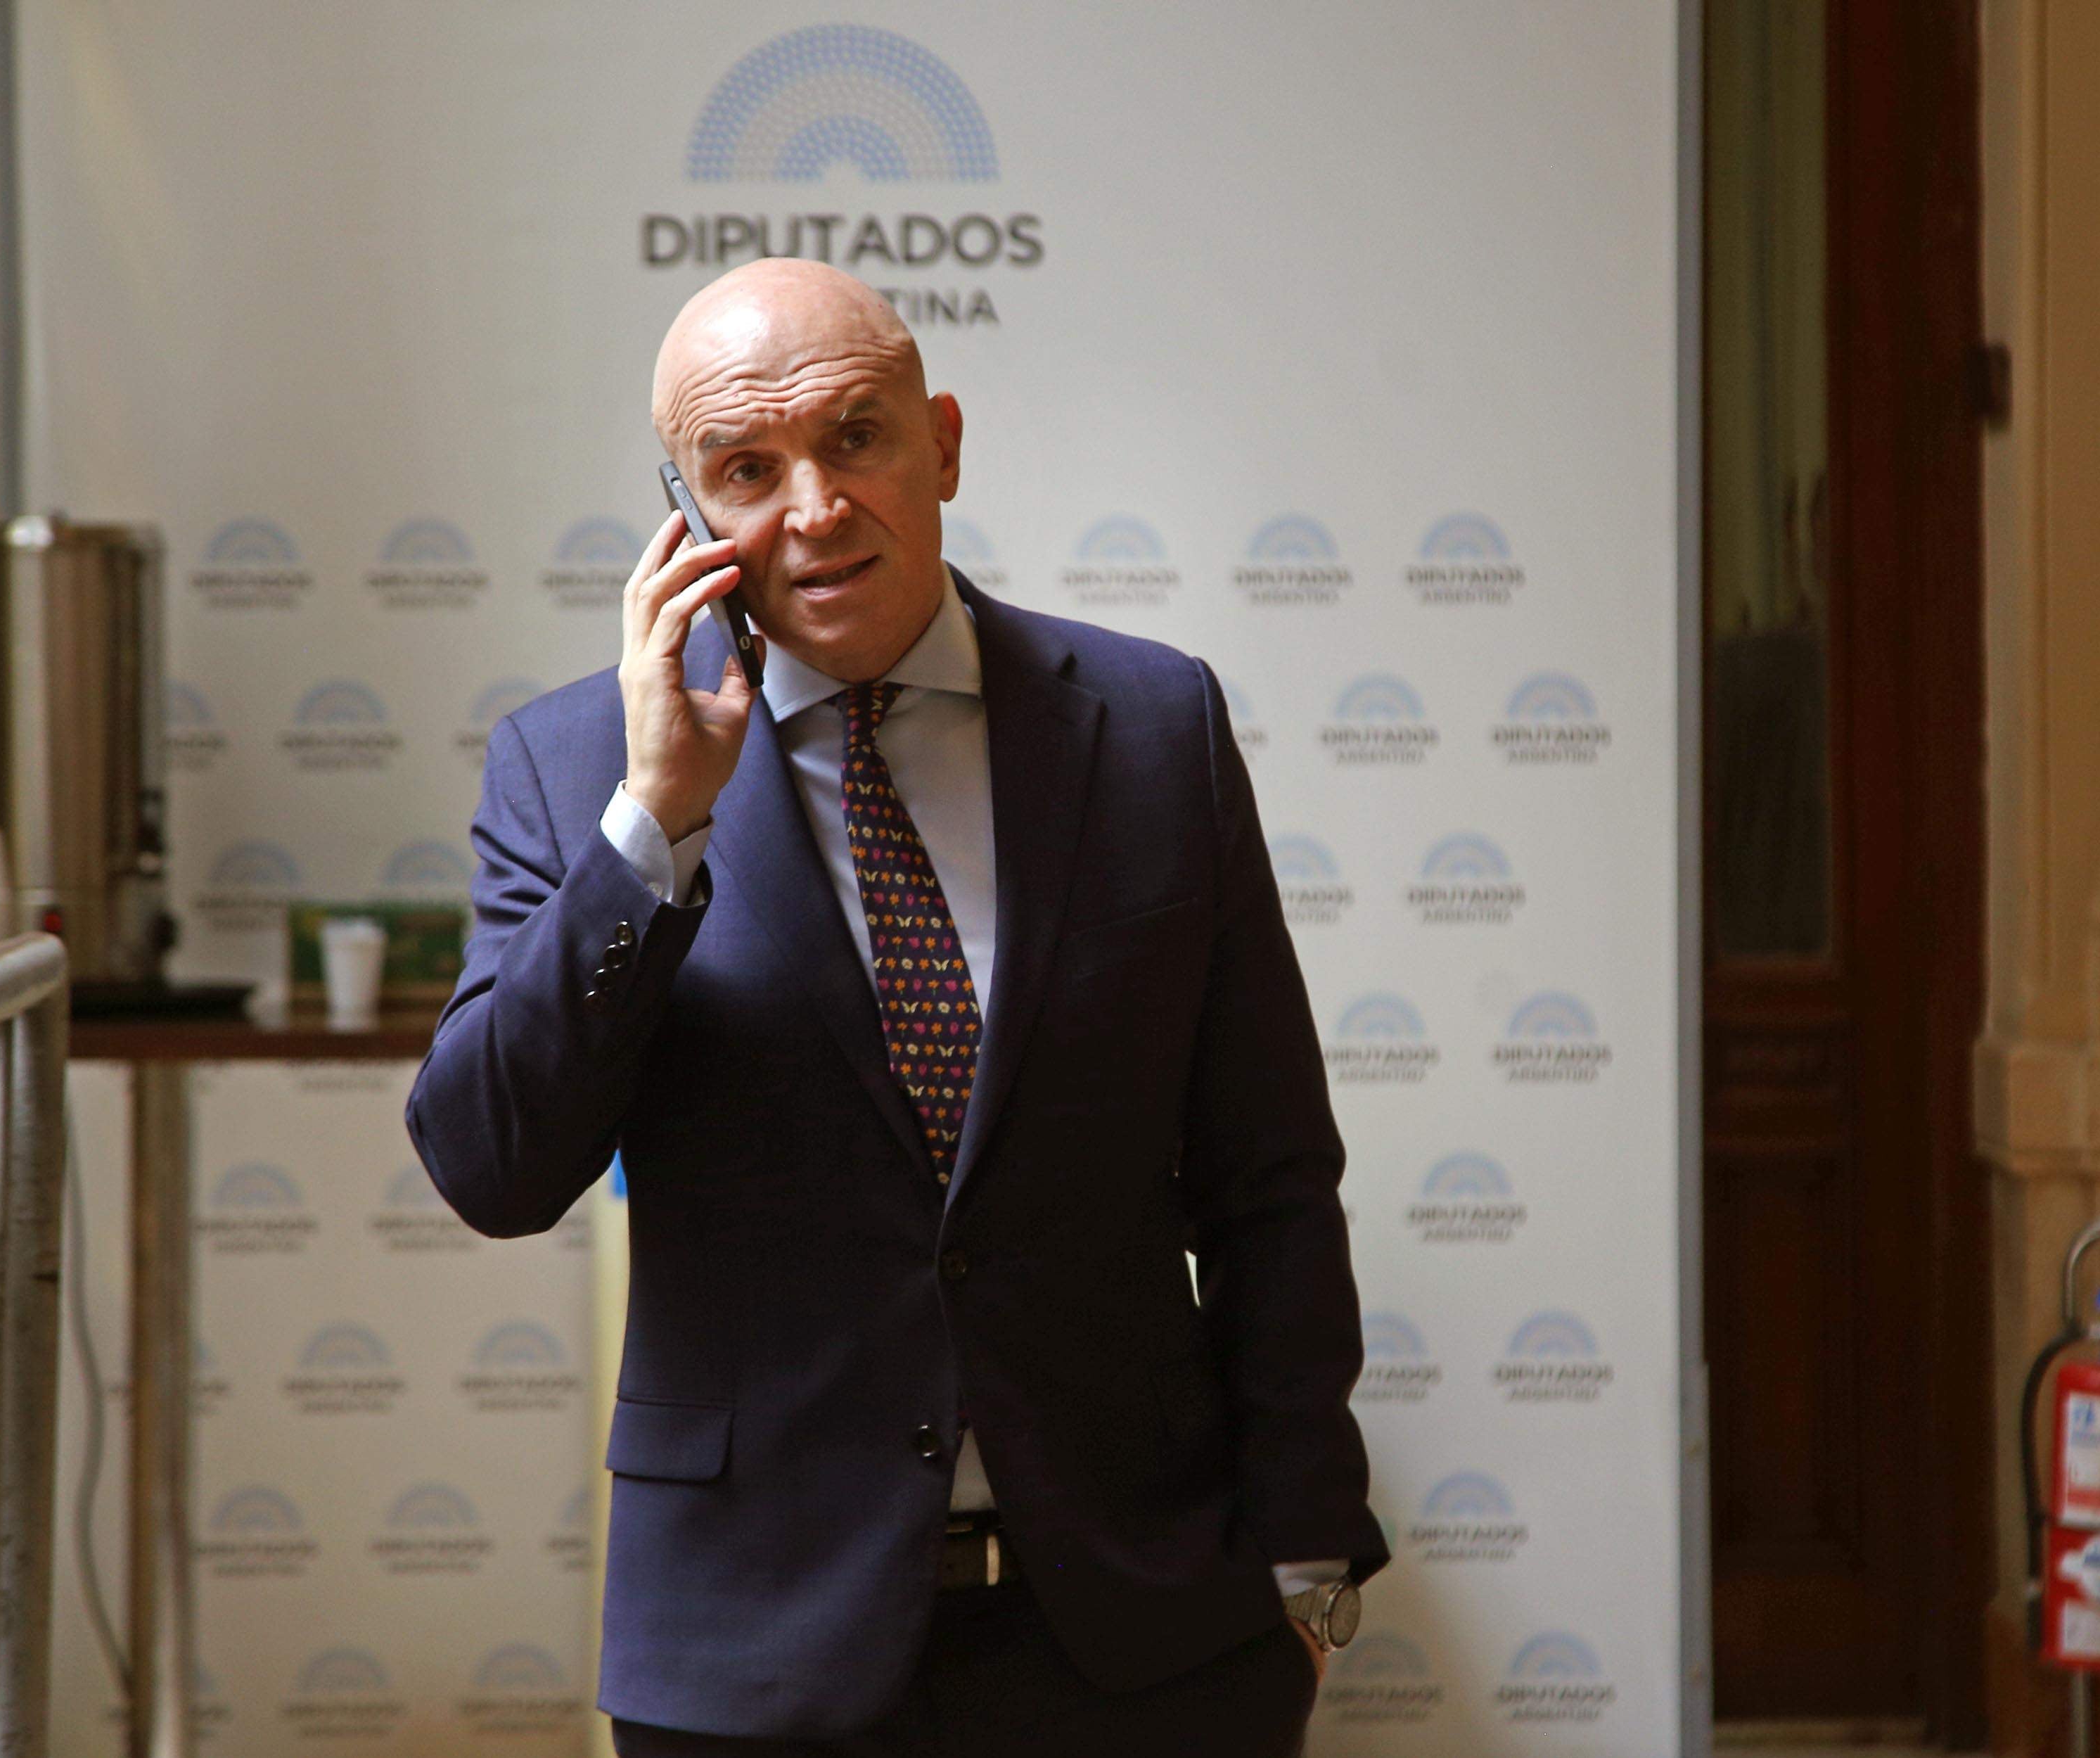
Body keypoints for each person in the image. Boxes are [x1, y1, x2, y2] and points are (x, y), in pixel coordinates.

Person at [406, 258, 1386, 1757]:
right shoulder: (574, 767)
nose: (812, 507)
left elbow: (1270, 1177)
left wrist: (1306, 1563)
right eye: (745, 469)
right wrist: (655, 822)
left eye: (854, 436)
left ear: (942, 442)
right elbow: (493, 1168)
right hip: (753, 1653)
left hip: (1148, 1636)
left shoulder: (1153, 724)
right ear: (682, 509)